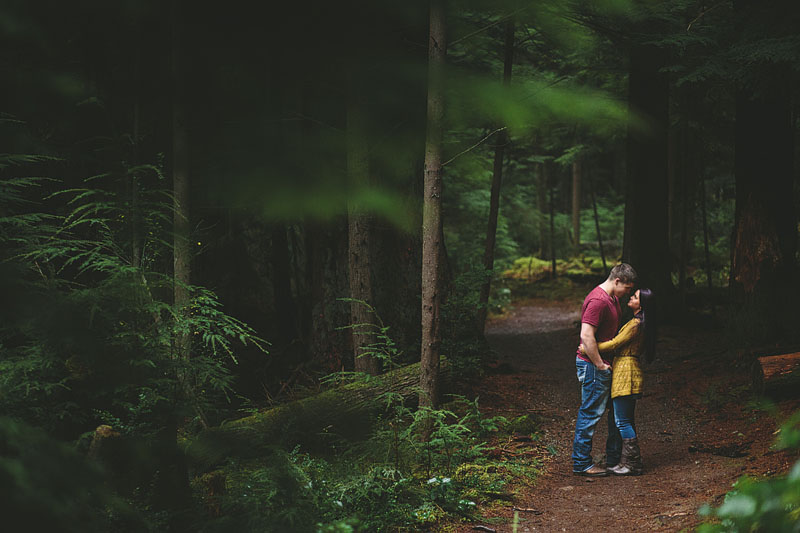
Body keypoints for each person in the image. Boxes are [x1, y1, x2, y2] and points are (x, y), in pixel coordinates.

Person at [581, 287, 657, 475]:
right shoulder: (638, 322)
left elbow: (615, 344)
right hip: (628, 369)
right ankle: (625, 461)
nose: (631, 297)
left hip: (626, 372)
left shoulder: (635, 324)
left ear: (642, 304)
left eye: (636, 296)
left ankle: (632, 463)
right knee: (625, 419)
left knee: (622, 421)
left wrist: (589, 348)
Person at [572, 263, 637, 477]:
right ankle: (581, 463)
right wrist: (599, 364)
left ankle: (613, 458)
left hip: (602, 365)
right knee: (590, 412)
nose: (628, 293)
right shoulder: (598, 301)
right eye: (627, 288)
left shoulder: (612, 299)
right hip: (592, 366)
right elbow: (587, 335)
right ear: (617, 281)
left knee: (613, 414)